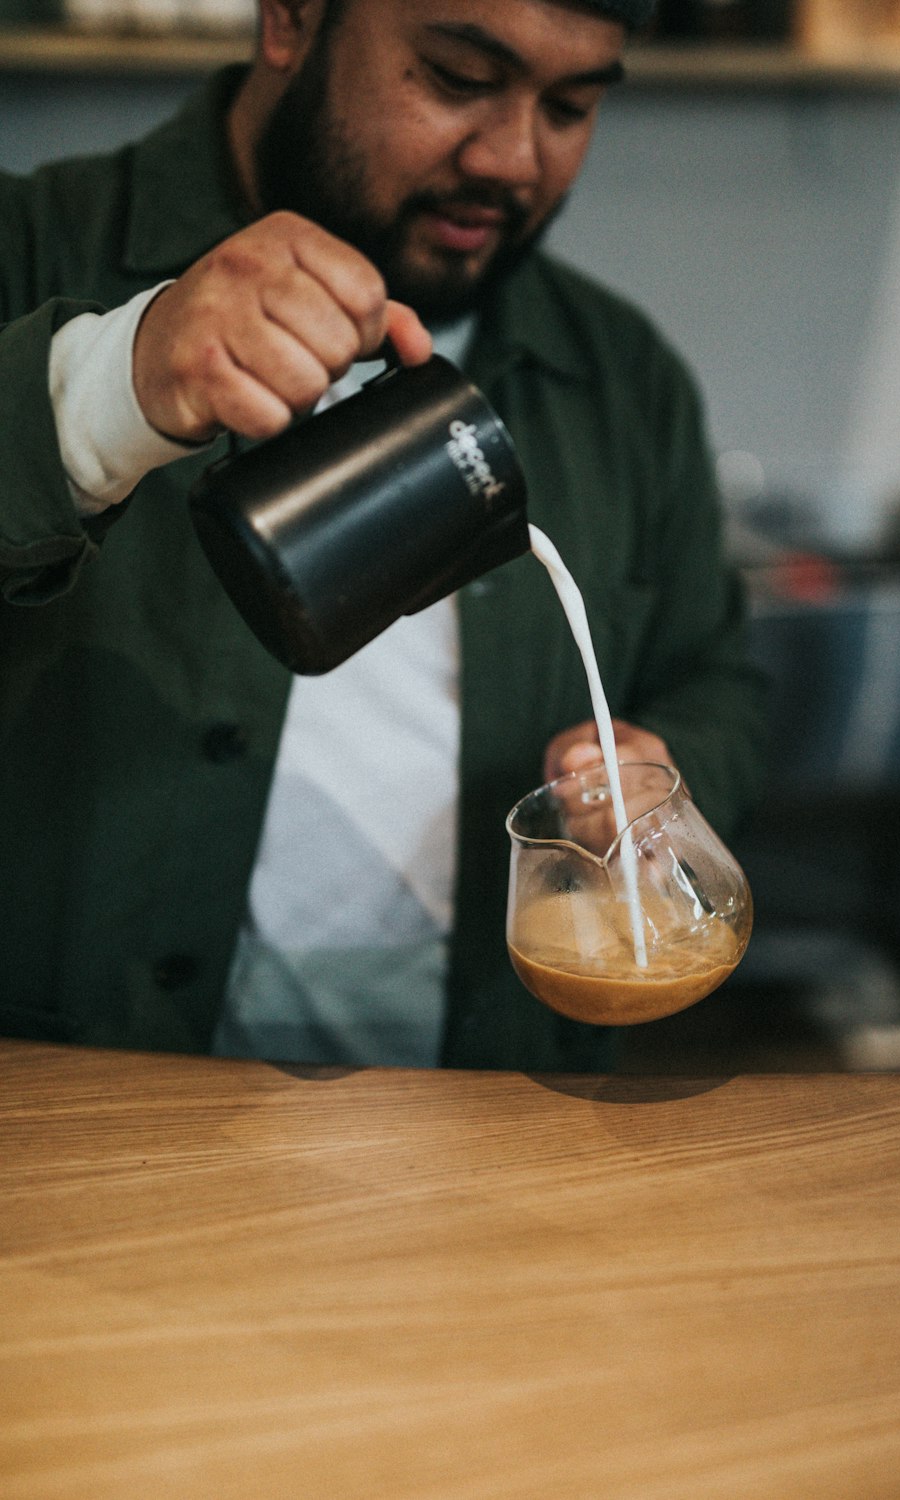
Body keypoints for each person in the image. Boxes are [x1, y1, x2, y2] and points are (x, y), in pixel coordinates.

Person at [0, 0, 769, 1073]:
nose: (513, 158)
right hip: (88, 1124)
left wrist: (655, 782)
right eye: (457, 76)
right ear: (289, 20)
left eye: (571, 104)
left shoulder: (620, 377)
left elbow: (715, 680)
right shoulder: (29, 247)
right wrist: (102, 393)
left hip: (478, 1126)